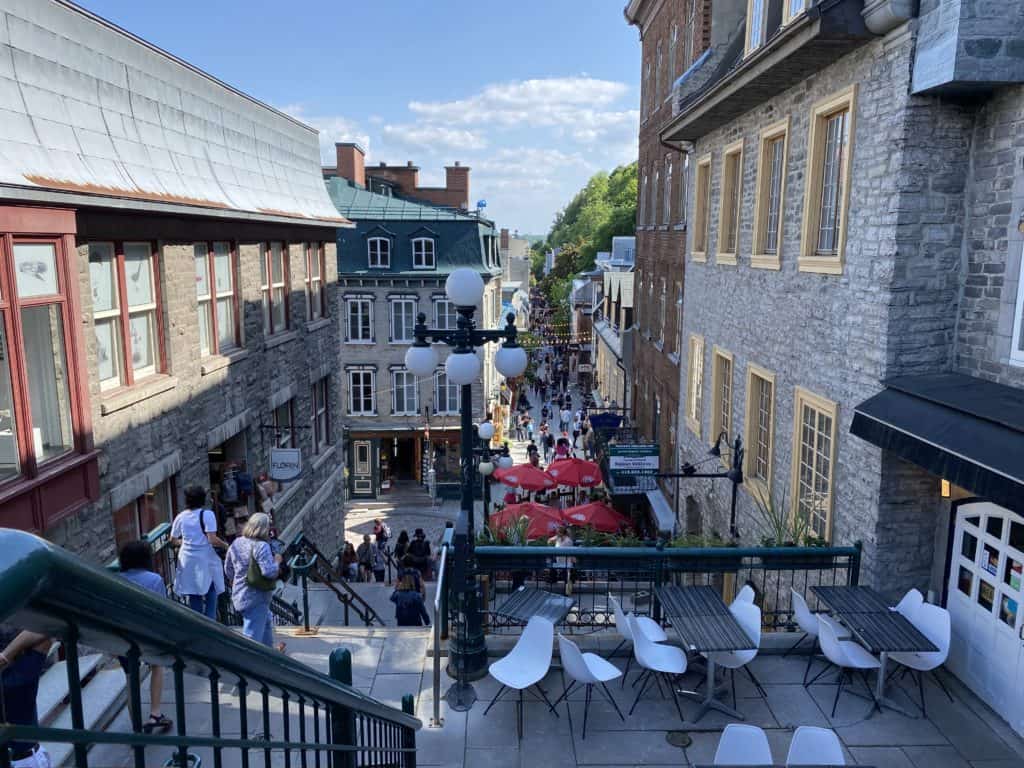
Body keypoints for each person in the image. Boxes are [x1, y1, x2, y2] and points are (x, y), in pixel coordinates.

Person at [117, 540, 172, 734]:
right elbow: (163, 610)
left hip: (123, 637)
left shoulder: (116, 578)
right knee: (157, 666)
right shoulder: (154, 580)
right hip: (148, 635)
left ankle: (136, 728)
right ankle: (155, 713)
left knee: (131, 678)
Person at [223, 513, 282, 647]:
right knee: (252, 638)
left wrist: (234, 582)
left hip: (240, 594)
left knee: (266, 625)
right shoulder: (262, 546)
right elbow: (269, 572)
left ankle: (270, 656)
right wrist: (277, 561)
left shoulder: (237, 543)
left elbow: (228, 568)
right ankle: (250, 664)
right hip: (256, 597)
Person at [170, 485, 227, 620]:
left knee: (193, 593)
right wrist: (226, 545)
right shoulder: (207, 515)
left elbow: (173, 539)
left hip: (187, 559)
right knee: (211, 591)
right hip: (204, 559)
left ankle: (198, 624)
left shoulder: (181, 516)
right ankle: (211, 624)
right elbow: (212, 539)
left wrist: (184, 543)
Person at [1, 626, 53, 767]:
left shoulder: (21, 672)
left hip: (24, 758)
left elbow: (46, 629)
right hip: (26, 758)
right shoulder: (23, 671)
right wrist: (6, 656)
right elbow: (46, 628)